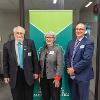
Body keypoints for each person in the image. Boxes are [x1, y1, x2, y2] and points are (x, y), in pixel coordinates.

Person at [3, 26, 40, 100]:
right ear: (14, 34)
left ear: (24, 34)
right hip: (14, 74)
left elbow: (35, 59)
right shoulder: (7, 45)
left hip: (28, 73)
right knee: (16, 95)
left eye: (21, 33)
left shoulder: (30, 43)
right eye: (17, 33)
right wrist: (6, 75)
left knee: (28, 95)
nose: (19, 35)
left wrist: (36, 72)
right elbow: (5, 62)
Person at [64, 23, 94, 100]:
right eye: (77, 29)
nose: (78, 31)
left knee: (83, 97)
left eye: (81, 29)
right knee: (74, 97)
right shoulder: (71, 42)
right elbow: (67, 57)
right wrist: (69, 68)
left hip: (83, 76)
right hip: (72, 76)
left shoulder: (88, 43)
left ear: (84, 31)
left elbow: (86, 59)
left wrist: (74, 69)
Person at [39, 32, 63, 100]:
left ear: (54, 39)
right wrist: (39, 75)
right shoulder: (42, 49)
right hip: (43, 79)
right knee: (45, 97)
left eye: (50, 37)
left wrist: (57, 78)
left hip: (54, 79)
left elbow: (60, 64)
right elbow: (40, 63)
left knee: (55, 97)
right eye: (47, 37)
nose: (48, 39)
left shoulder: (58, 49)